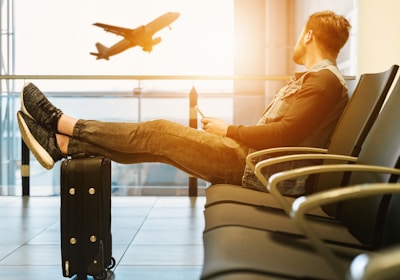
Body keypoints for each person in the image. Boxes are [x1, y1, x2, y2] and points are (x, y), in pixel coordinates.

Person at [18, 10, 351, 196]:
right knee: (159, 146)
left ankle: (61, 123)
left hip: (255, 169)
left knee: (158, 132)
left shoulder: (322, 81)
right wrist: (230, 132)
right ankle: (62, 144)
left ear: (308, 35)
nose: (296, 41)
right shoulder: (321, 80)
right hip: (254, 163)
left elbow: (286, 135)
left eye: (299, 35)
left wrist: (230, 130)